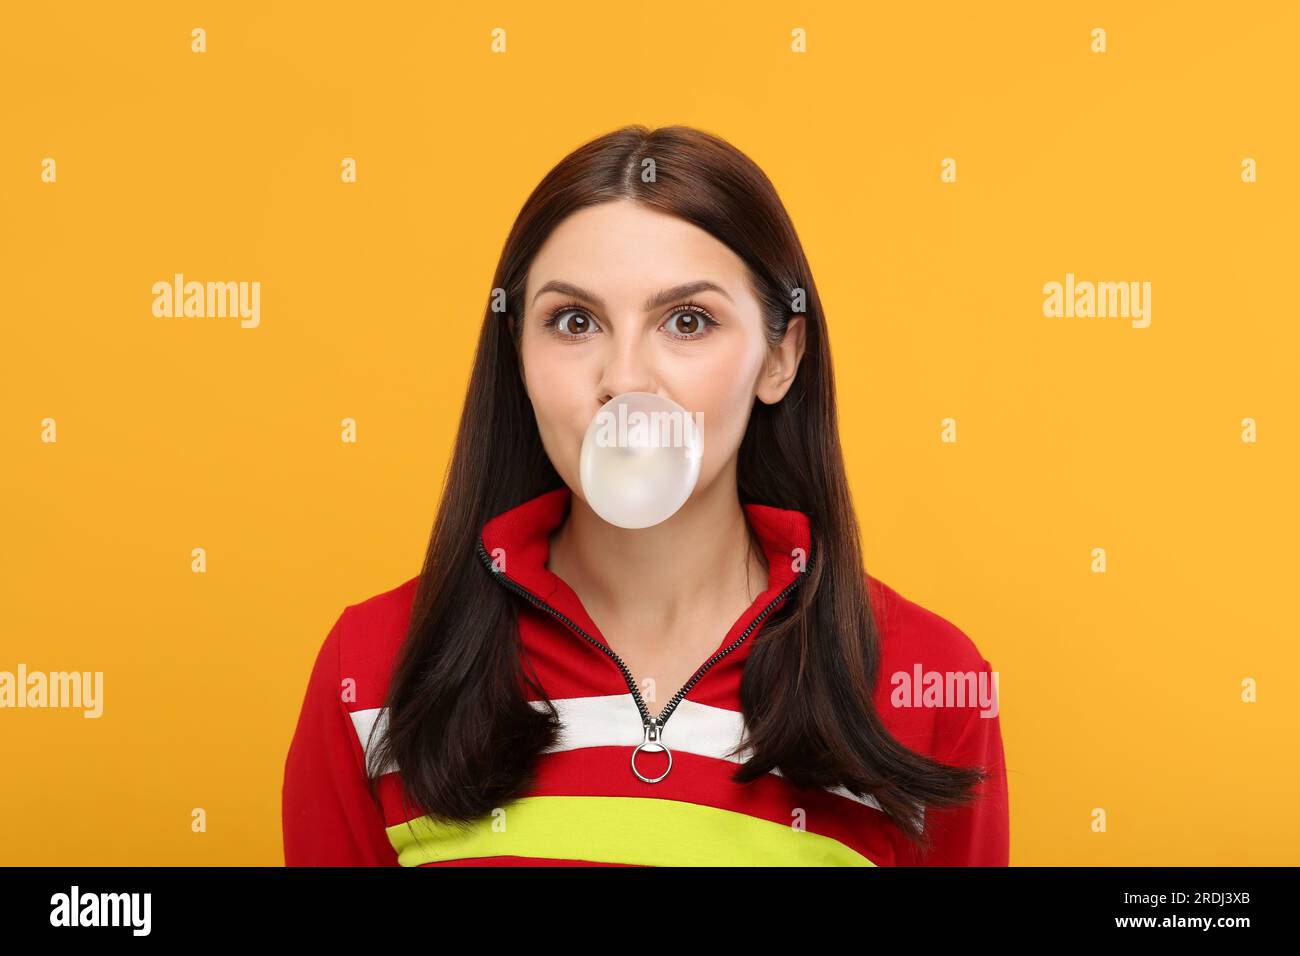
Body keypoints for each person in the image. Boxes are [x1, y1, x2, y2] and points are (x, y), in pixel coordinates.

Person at [282, 124, 1009, 867]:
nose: (624, 380)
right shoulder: (372, 670)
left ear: (779, 357)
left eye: (687, 322)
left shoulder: (928, 681)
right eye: (574, 322)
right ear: (519, 355)